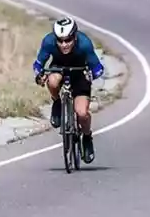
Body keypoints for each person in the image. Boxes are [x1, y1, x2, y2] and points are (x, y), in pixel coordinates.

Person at [33, 17, 104, 163]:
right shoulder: (48, 41)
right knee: (52, 81)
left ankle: (87, 137)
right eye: (60, 41)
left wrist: (92, 74)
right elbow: (38, 63)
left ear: (75, 36)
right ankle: (57, 102)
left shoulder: (84, 43)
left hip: (80, 73)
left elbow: (98, 67)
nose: (64, 44)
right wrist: (40, 75)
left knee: (82, 113)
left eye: (68, 40)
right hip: (59, 68)